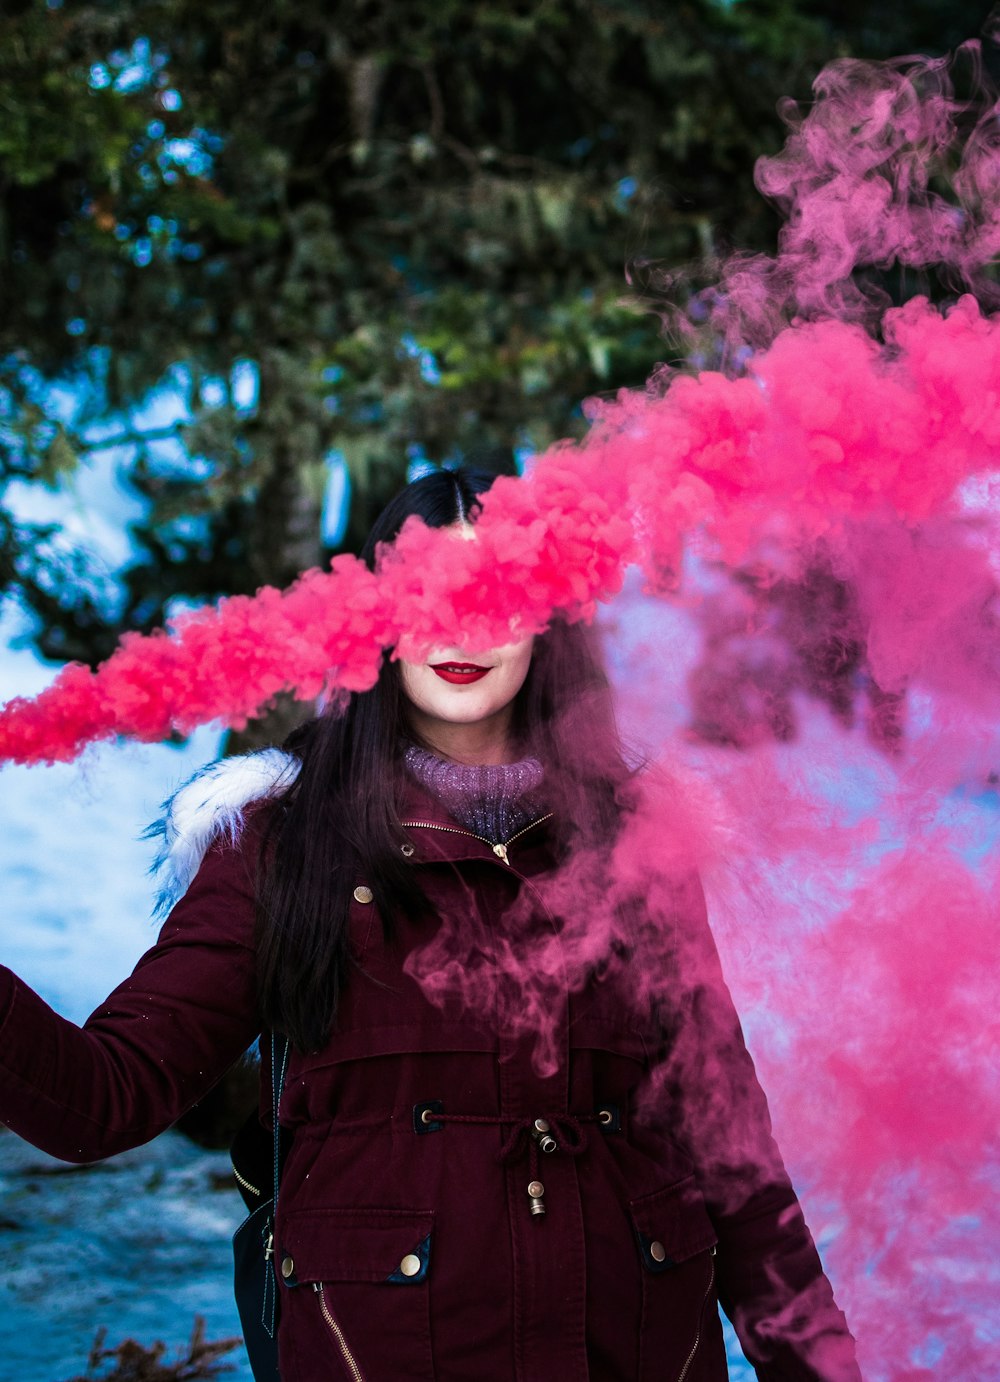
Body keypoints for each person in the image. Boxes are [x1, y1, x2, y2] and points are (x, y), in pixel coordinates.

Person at [0, 466, 860, 1381]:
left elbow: (733, 1154)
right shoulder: (280, 843)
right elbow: (102, 1098)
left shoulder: (638, 841)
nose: (465, 628)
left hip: (635, 1348)